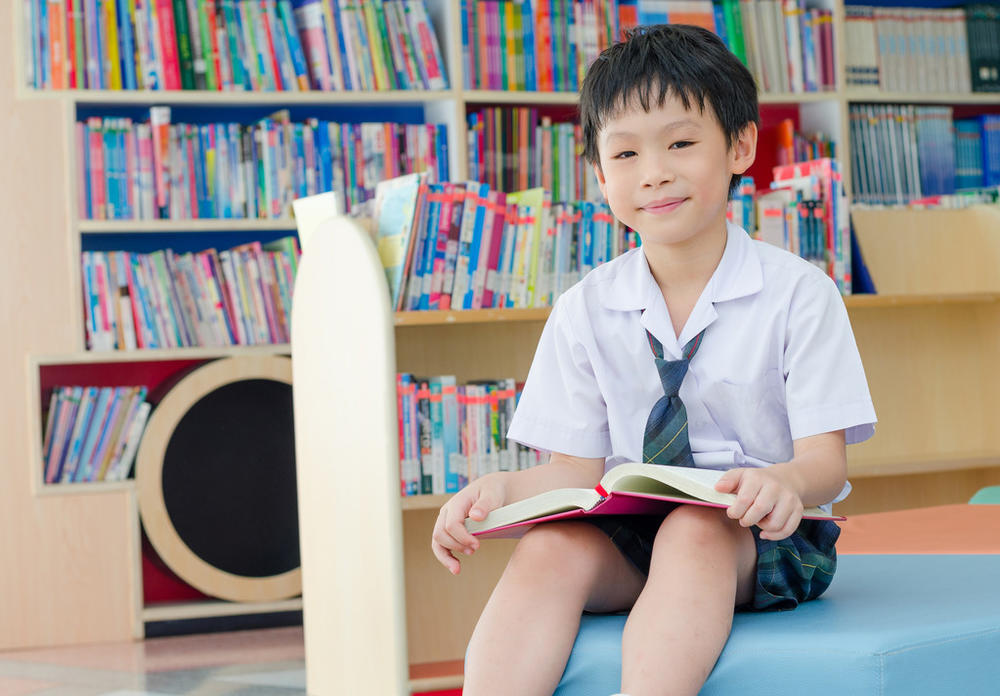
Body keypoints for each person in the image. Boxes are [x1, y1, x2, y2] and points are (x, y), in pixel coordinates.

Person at [431, 23, 876, 696]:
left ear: (740, 145)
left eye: (681, 143)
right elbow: (573, 473)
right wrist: (495, 493)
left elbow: (825, 462)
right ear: (600, 175)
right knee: (549, 547)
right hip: (634, 532)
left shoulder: (799, 295)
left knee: (695, 531)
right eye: (627, 154)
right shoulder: (586, 307)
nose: (655, 172)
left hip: (768, 539)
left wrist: (784, 482)